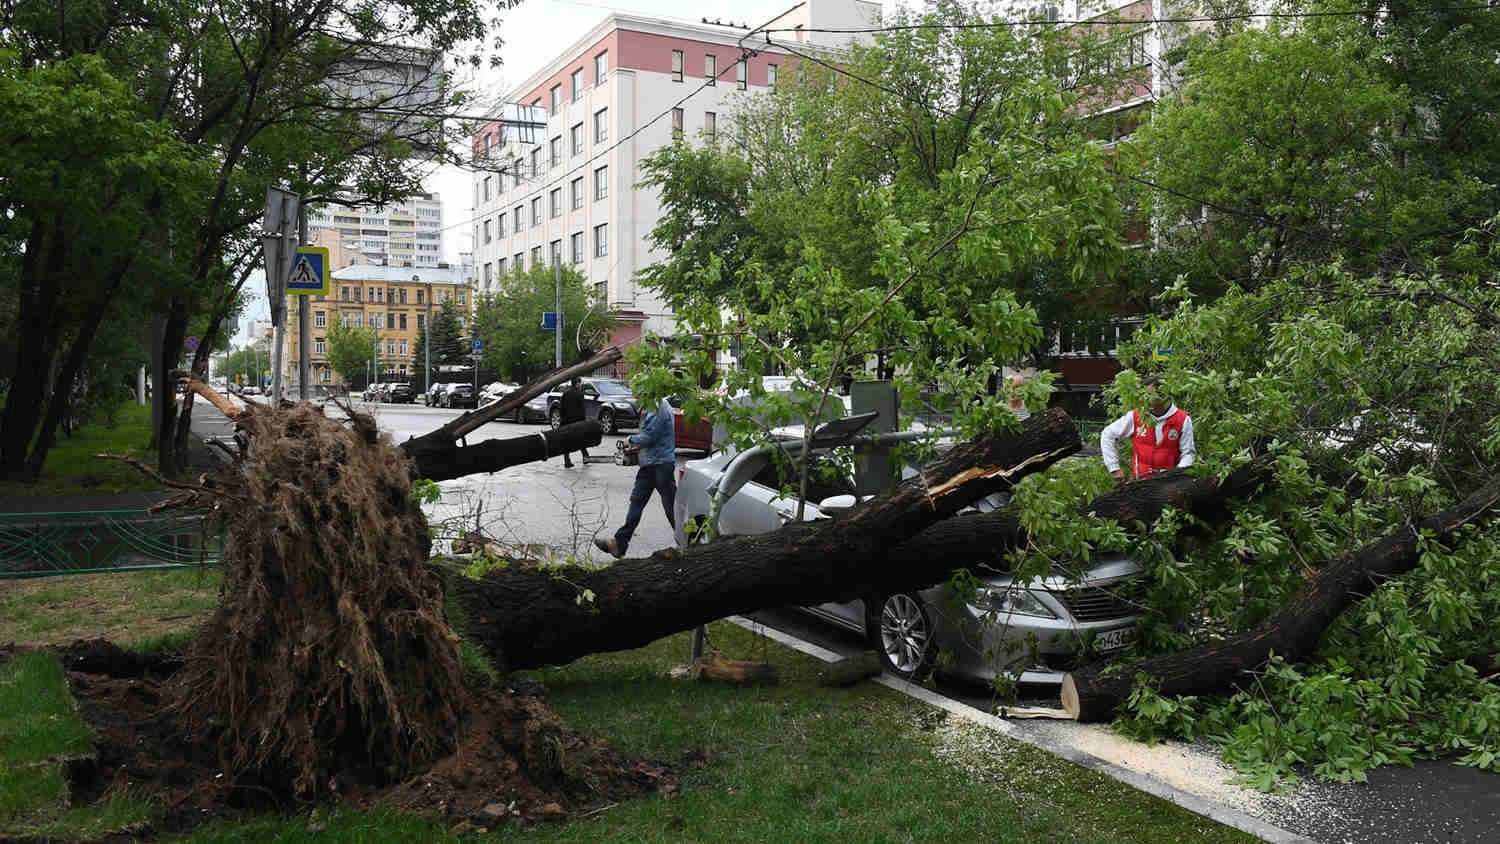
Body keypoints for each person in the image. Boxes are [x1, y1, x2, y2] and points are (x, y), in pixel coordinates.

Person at [594, 396, 676, 558]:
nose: (637, 395)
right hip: (648, 464)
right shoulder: (651, 405)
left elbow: (649, 437)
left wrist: (629, 440)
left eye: (640, 390)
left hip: (661, 464)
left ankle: (688, 541)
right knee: (636, 502)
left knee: (671, 507)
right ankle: (619, 543)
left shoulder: (659, 406)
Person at [1100, 375, 1195, 481]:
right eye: (1146, 395)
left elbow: (1188, 454)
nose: (1148, 399)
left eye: (1152, 395)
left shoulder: (1182, 419)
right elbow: (1108, 435)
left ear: (1164, 395)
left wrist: (1177, 475)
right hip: (1140, 483)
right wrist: (1114, 468)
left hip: (1170, 484)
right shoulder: (1136, 416)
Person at [559, 376, 590, 468]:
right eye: (579, 383)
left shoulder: (565, 394)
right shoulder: (579, 394)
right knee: (581, 440)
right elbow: (582, 409)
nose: (580, 385)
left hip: (567, 422)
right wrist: (583, 421)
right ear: (577, 383)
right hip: (577, 421)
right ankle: (585, 457)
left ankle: (567, 461)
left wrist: (562, 419)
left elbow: (561, 409)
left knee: (567, 441)